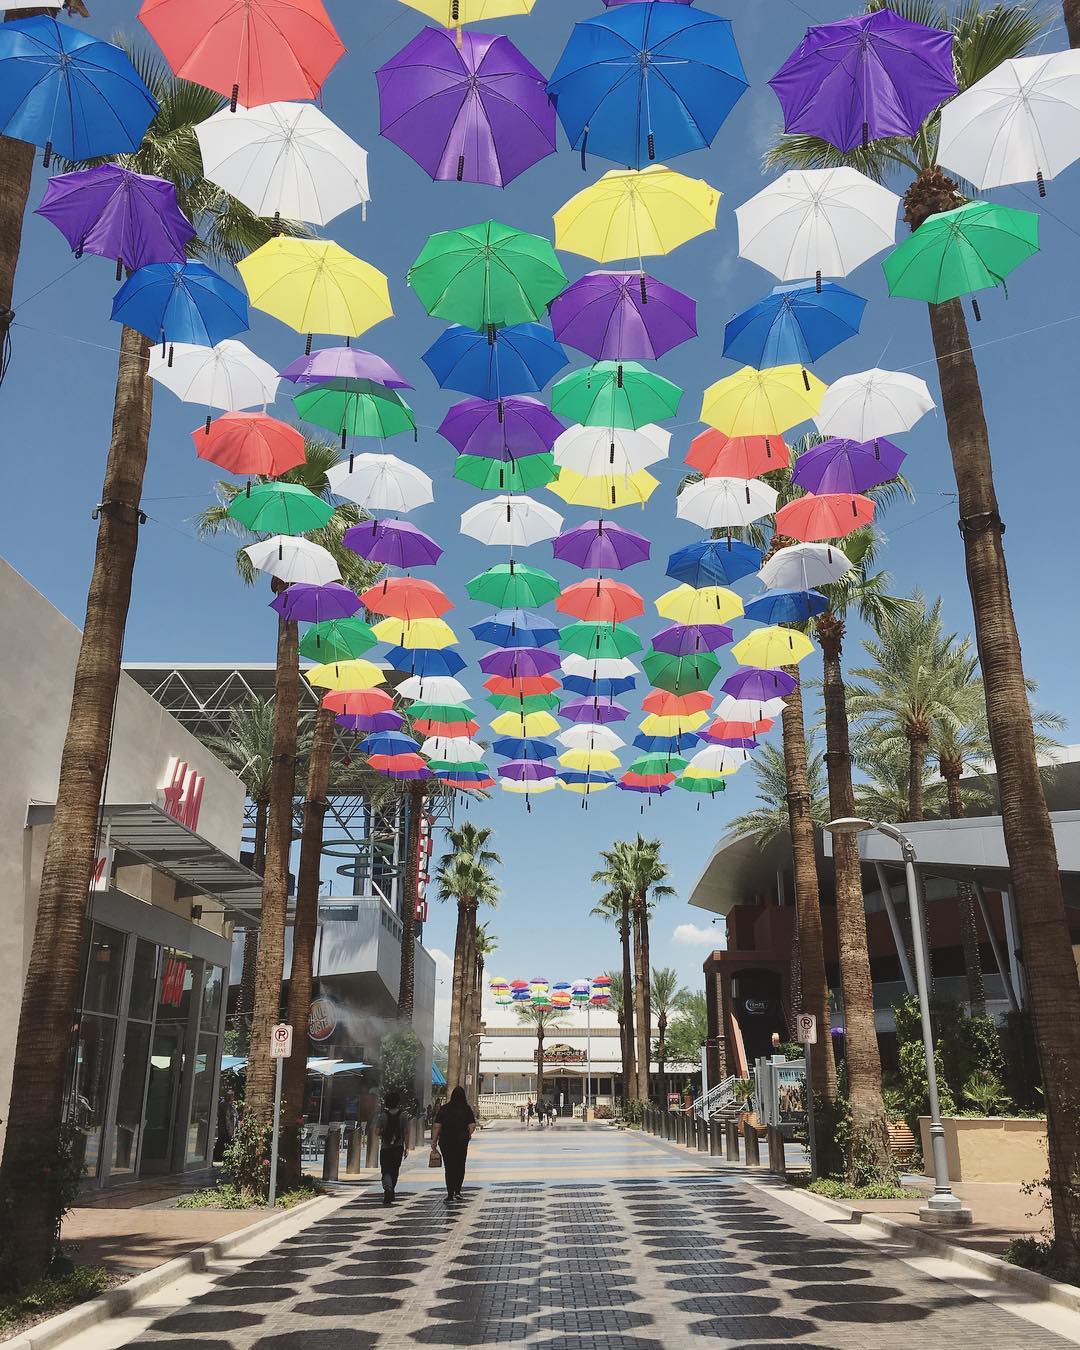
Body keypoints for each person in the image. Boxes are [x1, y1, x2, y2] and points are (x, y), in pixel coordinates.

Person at [431, 1086, 476, 1204]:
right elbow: (472, 1126)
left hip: (446, 1141)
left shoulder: (444, 1109)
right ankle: (458, 1191)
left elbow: (437, 1126)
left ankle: (450, 1193)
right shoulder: (466, 1109)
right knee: (460, 1165)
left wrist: (434, 1141)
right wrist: (467, 1135)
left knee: (449, 1166)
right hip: (461, 1142)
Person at [374, 1090, 410, 1205]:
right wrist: (407, 1147)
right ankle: (391, 1189)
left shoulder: (382, 1116)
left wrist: (384, 1132)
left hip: (385, 1147)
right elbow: (406, 1132)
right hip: (398, 1147)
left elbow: (376, 1132)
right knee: (395, 1169)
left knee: (385, 1170)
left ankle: (388, 1188)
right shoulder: (403, 1115)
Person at [214, 1089, 238, 1162]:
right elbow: (227, 1119)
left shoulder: (228, 1105)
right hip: (225, 1129)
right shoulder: (225, 1105)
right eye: (232, 1096)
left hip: (224, 1128)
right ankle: (220, 1157)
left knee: (221, 1142)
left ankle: (219, 1157)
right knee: (223, 1142)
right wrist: (229, 1131)